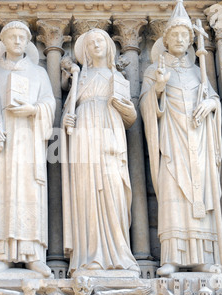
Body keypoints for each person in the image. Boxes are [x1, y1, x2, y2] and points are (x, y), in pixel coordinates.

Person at [139, 0, 222, 276]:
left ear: (190, 41)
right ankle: (172, 256)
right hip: (173, 144)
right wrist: (159, 89)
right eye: (174, 34)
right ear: (165, 39)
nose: (179, 39)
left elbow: (212, 98)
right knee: (174, 194)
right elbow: (146, 107)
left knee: (200, 196)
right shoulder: (154, 71)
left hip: (198, 143)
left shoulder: (197, 72)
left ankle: (202, 257)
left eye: (184, 36)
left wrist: (211, 105)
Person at [0, 21, 55, 277]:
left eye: (22, 37)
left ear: (28, 43)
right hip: (1, 144)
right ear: (4, 42)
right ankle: (0, 254)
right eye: (13, 37)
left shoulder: (39, 73)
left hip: (29, 141)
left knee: (29, 191)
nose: (18, 41)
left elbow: (50, 104)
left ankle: (32, 254)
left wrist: (34, 110)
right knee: (1, 192)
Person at [61, 28, 140, 277]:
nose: (96, 45)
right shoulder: (80, 79)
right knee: (86, 191)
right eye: (92, 42)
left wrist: (122, 107)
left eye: (101, 41)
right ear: (85, 49)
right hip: (84, 135)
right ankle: (90, 256)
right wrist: (67, 121)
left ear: (108, 47)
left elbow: (131, 116)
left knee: (114, 187)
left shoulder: (117, 77)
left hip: (111, 132)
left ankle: (119, 254)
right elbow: (68, 113)